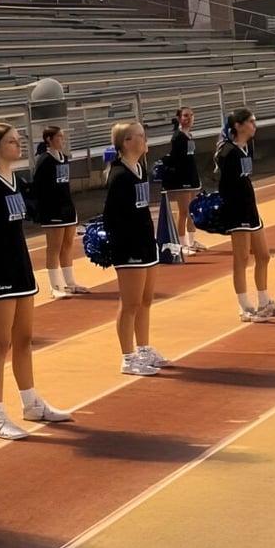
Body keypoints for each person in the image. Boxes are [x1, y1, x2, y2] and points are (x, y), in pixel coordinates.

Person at [0, 123, 71, 440]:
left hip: (20, 269)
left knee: (24, 339)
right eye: (12, 141)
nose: (19, 145)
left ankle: (31, 403)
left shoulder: (15, 181)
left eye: (19, 140)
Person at [102, 122, 169, 376]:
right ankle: (128, 357)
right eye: (139, 136)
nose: (144, 139)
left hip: (145, 242)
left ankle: (143, 348)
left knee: (145, 301)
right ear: (126, 142)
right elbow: (112, 216)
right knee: (129, 303)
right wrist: (123, 244)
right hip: (128, 247)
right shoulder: (119, 175)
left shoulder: (139, 169)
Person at [215, 108, 275, 323]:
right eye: (251, 122)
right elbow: (225, 185)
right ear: (238, 125)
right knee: (242, 259)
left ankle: (264, 301)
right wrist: (231, 215)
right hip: (237, 212)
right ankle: (245, 306)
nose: (254, 126)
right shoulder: (228, 152)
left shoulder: (244, 148)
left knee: (263, 255)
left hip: (250, 209)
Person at [32, 126, 86, 299]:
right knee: (54, 247)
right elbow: (38, 187)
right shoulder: (44, 160)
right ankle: (55, 286)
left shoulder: (64, 158)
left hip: (67, 208)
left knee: (68, 245)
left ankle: (70, 283)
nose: (63, 140)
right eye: (60, 137)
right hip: (52, 209)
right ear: (49, 139)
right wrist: (44, 208)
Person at [162, 107, 206, 256]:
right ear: (180, 118)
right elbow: (176, 160)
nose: (189, 118)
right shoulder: (178, 137)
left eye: (191, 115)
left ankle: (191, 241)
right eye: (185, 116)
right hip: (182, 180)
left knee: (192, 211)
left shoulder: (189, 135)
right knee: (184, 211)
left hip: (192, 178)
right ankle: (182, 245)